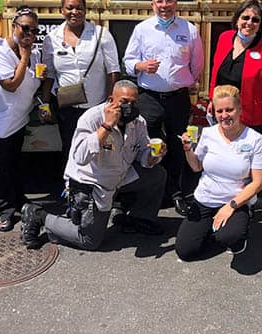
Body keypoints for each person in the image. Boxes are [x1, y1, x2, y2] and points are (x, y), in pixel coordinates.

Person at [20, 80, 167, 251]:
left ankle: (138, 219)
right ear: (111, 99)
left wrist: (153, 156)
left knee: (157, 174)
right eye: (124, 102)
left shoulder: (137, 122)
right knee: (89, 240)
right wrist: (107, 126)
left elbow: (143, 153)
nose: (130, 107)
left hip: (118, 177)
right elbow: (80, 157)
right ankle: (39, 216)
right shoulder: (92, 118)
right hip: (90, 185)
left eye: (134, 103)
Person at [123, 0, 204, 206]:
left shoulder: (190, 30)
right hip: (149, 97)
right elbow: (128, 62)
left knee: (179, 145)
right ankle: (150, 191)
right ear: (152, 5)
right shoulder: (142, 29)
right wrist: (140, 65)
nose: (164, 6)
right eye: (159, 2)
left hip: (178, 98)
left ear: (175, 3)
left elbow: (197, 65)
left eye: (168, 1)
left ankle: (174, 192)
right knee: (149, 144)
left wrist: (182, 81)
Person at [175, 85, 262, 260]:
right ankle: (213, 228)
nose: (224, 115)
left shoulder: (254, 139)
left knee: (230, 236)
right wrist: (188, 150)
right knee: (185, 251)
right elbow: (196, 167)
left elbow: (258, 182)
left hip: (235, 202)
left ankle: (236, 228)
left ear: (239, 109)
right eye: (219, 111)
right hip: (205, 199)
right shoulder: (208, 133)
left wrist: (230, 206)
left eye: (229, 110)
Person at [0, 7, 45, 232]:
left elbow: (33, 81)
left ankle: (18, 200)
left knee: (15, 164)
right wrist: (25, 56)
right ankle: (3, 211)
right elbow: (12, 85)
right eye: (25, 28)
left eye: (34, 30)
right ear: (13, 26)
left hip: (17, 120)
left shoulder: (34, 53)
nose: (30, 34)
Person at [41, 0, 120, 164]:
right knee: (69, 146)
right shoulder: (51, 38)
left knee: (97, 147)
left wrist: (110, 102)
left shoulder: (101, 34)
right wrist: (45, 103)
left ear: (85, 10)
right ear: (62, 10)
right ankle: (70, 187)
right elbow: (50, 74)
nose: (74, 12)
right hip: (66, 106)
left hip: (96, 105)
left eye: (79, 8)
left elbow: (113, 70)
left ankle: (94, 187)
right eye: (69, 8)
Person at [207, 0, 262, 142]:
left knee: (245, 161)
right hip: (223, 113)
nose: (249, 23)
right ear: (237, 19)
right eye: (245, 17)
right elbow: (215, 72)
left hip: (250, 117)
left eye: (255, 20)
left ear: (260, 25)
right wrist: (212, 99)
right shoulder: (224, 38)